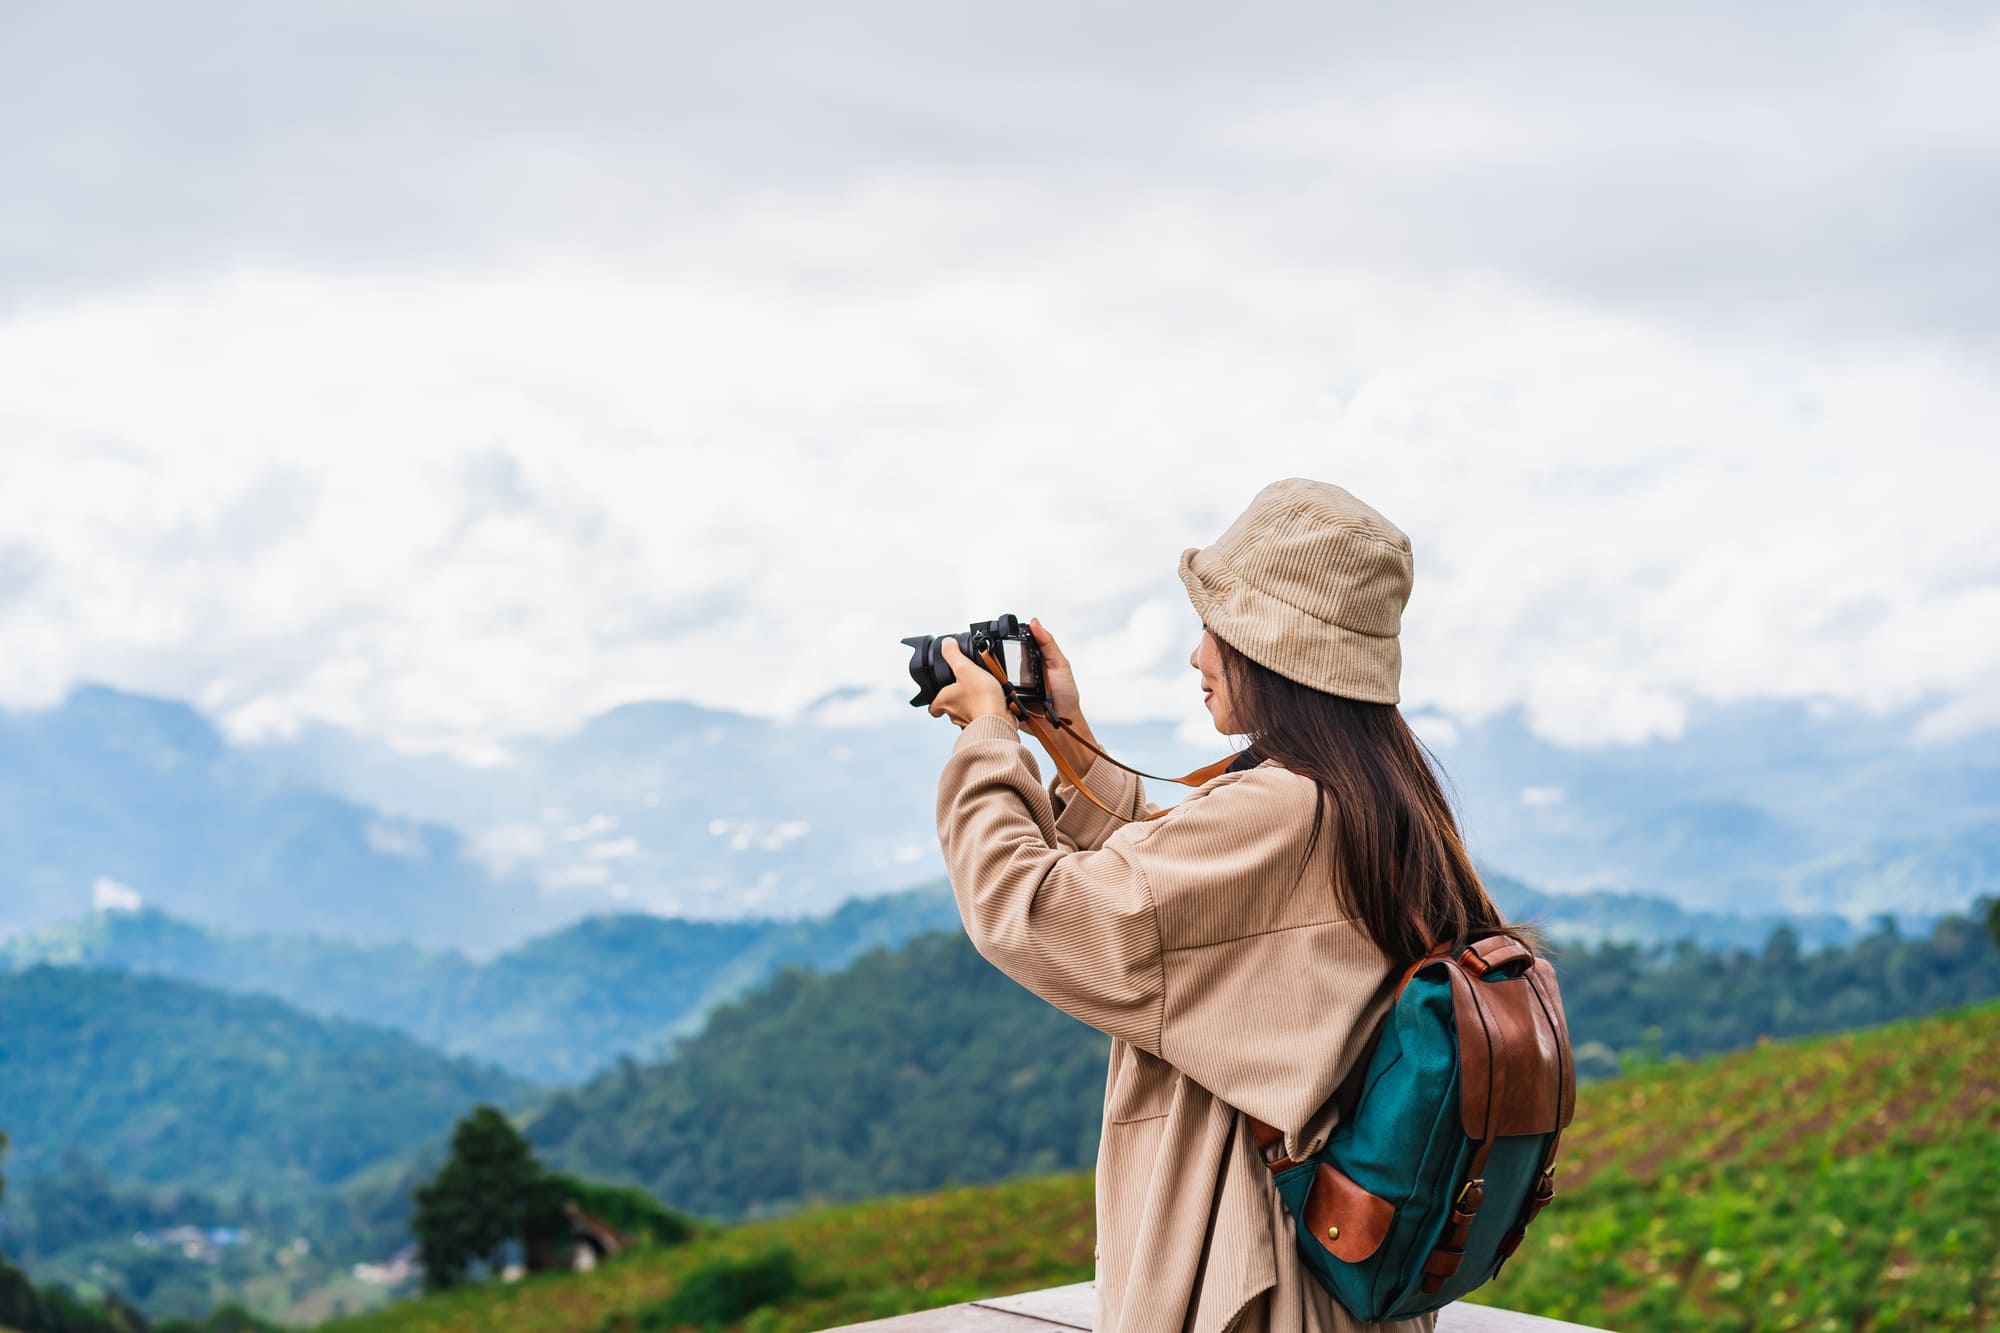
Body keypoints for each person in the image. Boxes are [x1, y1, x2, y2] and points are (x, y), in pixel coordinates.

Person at [924, 478, 1525, 1333]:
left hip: (1251, 1282)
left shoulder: (1283, 807)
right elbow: (1203, 896)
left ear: (1272, 652)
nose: (1198, 654)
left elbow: (1026, 907)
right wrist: (1067, 735)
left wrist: (990, 740)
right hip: (1331, 1277)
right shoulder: (1378, 795)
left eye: (1218, 629)